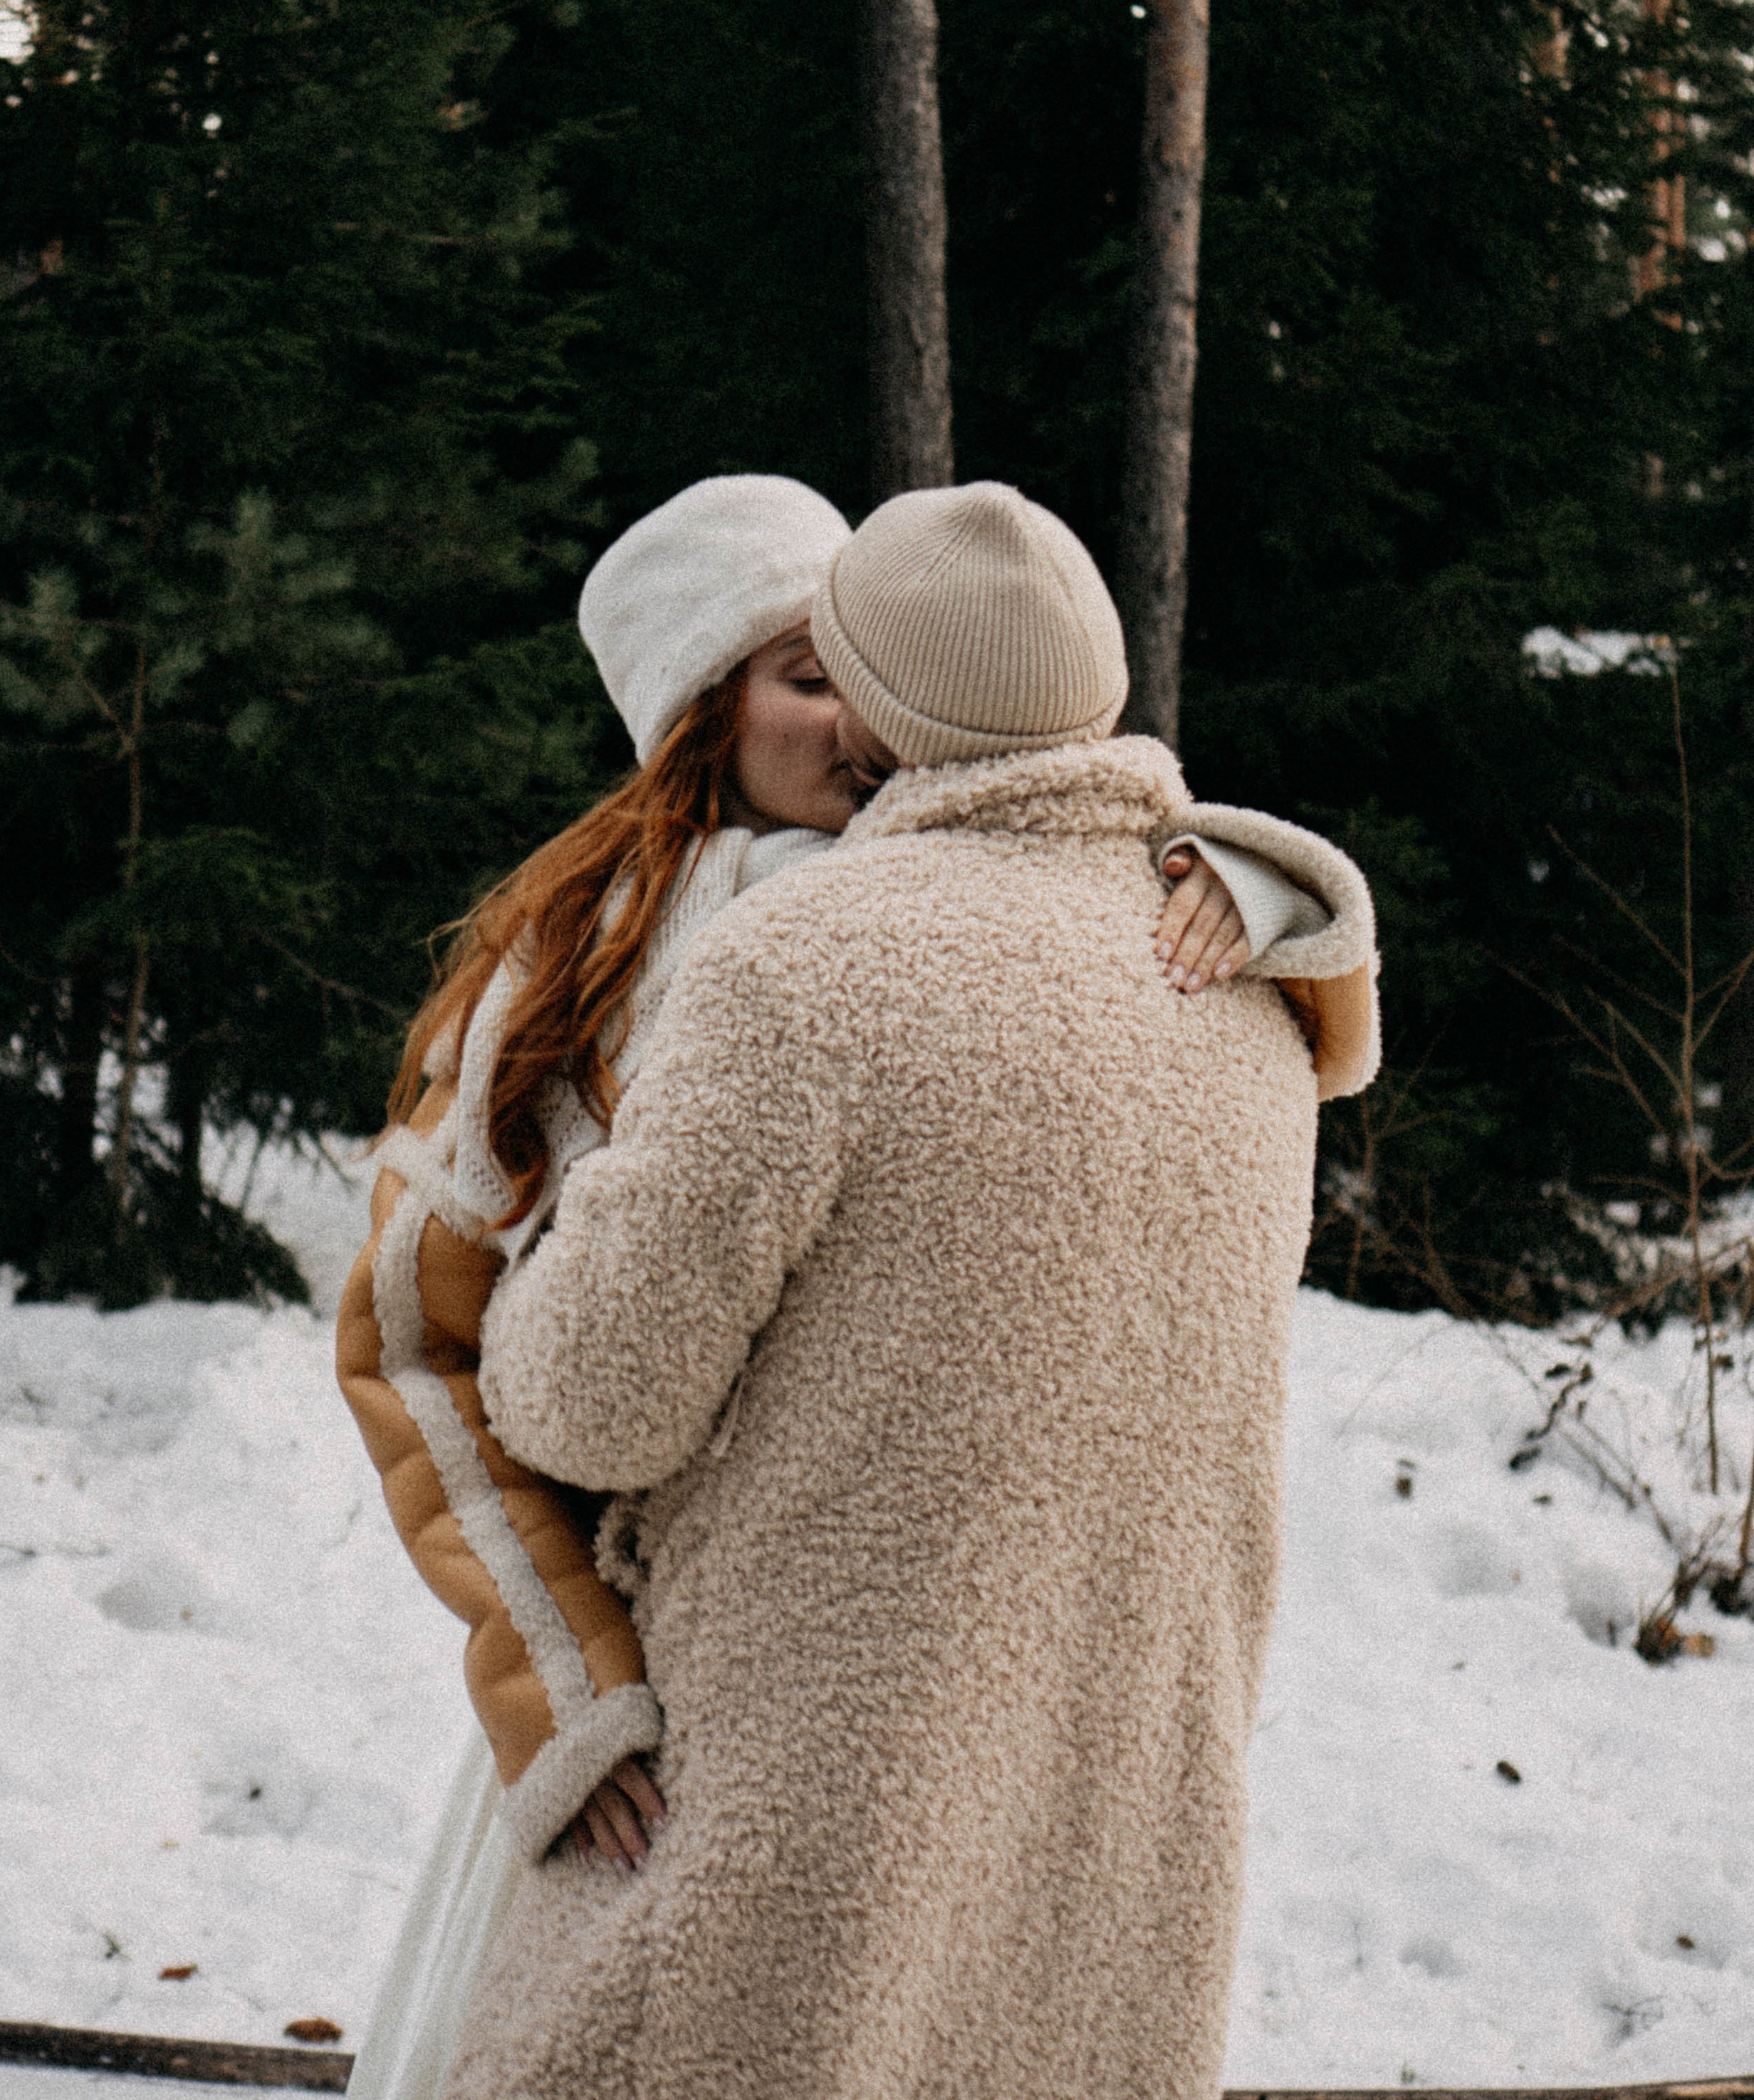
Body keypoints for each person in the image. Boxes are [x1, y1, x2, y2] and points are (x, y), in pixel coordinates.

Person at [336, 476, 1374, 2100]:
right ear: (698, 714)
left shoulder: (1125, 922)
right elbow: (423, 1352)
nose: (855, 726)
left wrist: (1276, 887)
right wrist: (560, 1675)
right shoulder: (571, 971)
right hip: (644, 1707)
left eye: (862, 672)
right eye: (803, 677)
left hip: (891, 1710)